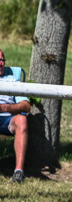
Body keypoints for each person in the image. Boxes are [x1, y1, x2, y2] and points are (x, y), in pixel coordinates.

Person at [0, 47, 30, 182]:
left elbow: (26, 106)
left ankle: (18, 172)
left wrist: (5, 107)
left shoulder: (12, 80)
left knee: (22, 120)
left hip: (7, 118)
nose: (0, 63)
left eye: (2, 60)